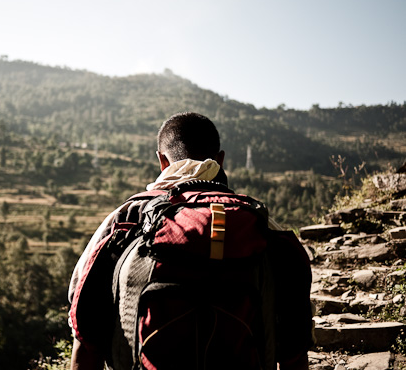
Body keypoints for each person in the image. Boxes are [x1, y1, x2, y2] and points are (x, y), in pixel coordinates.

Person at [68, 112, 311, 370]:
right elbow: (294, 348)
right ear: (220, 160)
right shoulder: (262, 227)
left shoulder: (126, 221)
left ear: (162, 161)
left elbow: (84, 330)